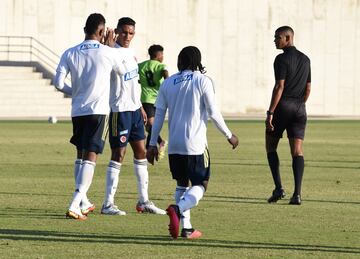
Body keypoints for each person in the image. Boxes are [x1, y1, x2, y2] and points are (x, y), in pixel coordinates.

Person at [147, 46, 239, 239]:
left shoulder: (168, 83)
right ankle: (177, 209)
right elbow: (213, 112)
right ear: (198, 61)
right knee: (201, 183)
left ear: (179, 62)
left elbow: (159, 115)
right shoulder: (203, 81)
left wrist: (152, 143)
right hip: (195, 145)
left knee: (182, 183)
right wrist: (229, 135)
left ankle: (186, 228)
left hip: (175, 146)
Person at [54, 13, 123, 220]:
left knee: (81, 154)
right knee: (91, 156)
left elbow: (58, 83)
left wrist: (74, 92)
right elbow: (121, 73)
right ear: (102, 32)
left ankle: (83, 201)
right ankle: (75, 203)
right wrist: (110, 48)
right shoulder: (107, 52)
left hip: (78, 111)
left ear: (85, 29)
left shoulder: (70, 52)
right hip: (98, 110)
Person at [101, 17, 165, 215]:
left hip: (135, 111)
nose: (128, 36)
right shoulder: (109, 52)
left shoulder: (131, 53)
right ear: (117, 31)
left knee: (141, 153)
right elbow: (113, 73)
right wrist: (109, 50)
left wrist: (140, 107)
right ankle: (107, 204)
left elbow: (134, 83)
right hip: (119, 111)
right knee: (118, 154)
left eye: (131, 33)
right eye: (124, 32)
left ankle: (143, 201)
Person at [265, 26, 311, 205]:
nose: (275, 40)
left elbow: (279, 86)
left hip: (283, 107)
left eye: (277, 37)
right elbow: (308, 88)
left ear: (287, 38)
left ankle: (278, 188)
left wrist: (270, 112)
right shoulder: (306, 60)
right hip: (300, 108)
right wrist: (300, 105)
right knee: (297, 152)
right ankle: (297, 194)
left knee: (270, 147)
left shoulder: (281, 59)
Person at [138, 44, 169, 158]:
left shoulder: (141, 65)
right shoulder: (161, 66)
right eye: (162, 54)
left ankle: (159, 142)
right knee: (149, 126)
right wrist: (167, 80)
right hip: (159, 99)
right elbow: (165, 73)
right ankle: (150, 149)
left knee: (150, 126)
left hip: (147, 100)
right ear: (158, 55)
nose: (163, 57)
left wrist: (141, 81)